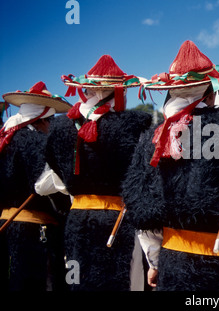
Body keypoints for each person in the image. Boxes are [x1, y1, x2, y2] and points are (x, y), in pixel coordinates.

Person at [122, 40, 219, 291]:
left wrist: (155, 262)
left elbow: (145, 216)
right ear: (211, 91)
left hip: (172, 262)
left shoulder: (150, 138)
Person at [45, 55, 153, 290]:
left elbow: (56, 175)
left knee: (81, 282)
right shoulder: (132, 125)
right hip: (116, 220)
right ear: (119, 91)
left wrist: (80, 191)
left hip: (76, 218)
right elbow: (140, 178)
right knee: (123, 282)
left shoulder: (58, 126)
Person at [0, 81, 72, 291]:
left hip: (7, 223)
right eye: (50, 121)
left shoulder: (6, 139)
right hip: (33, 229)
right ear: (40, 120)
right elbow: (43, 184)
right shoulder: (32, 139)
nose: (51, 127)